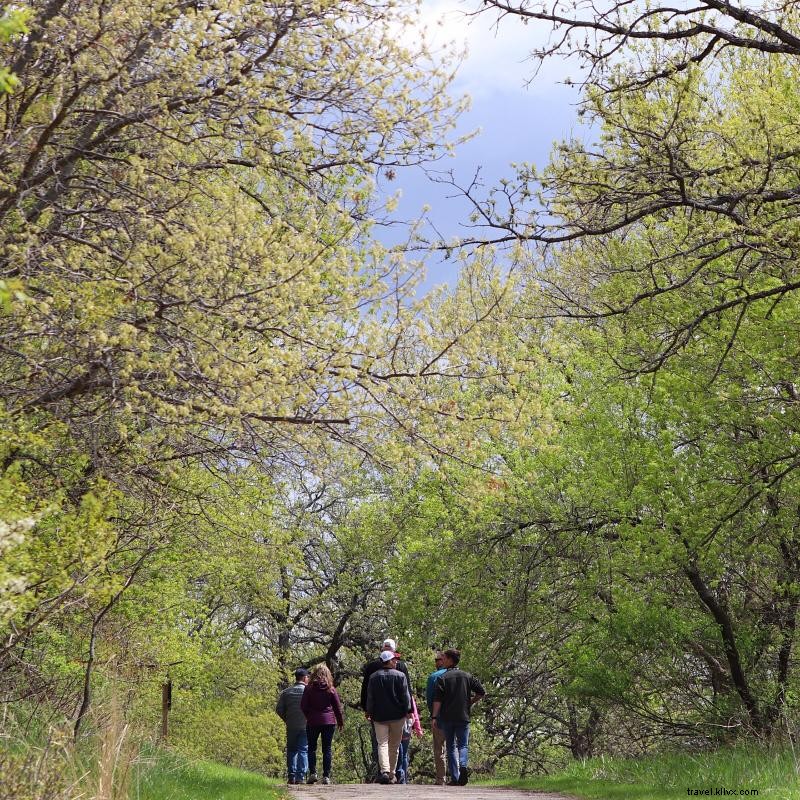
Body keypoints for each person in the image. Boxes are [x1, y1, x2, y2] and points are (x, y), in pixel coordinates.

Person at [360, 637, 413, 780]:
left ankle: (384, 771)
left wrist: (367, 710)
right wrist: (409, 711)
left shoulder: (373, 673)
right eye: (394, 659)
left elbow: (368, 695)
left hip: (378, 715)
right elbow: (406, 694)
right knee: (395, 745)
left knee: (381, 743)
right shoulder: (401, 672)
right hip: (397, 715)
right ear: (390, 659)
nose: (395, 661)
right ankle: (393, 773)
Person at [431, 648, 485, 786]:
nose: (442, 660)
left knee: (450, 746)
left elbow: (438, 700)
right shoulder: (467, 676)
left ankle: (455, 778)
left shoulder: (442, 678)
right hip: (463, 715)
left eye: (445, 658)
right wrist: (470, 702)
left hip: (447, 717)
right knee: (463, 745)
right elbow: (481, 692)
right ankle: (463, 766)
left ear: (450, 660)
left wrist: (434, 717)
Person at [300, 663, 344, 785]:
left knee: (312, 748)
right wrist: (340, 722)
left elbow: (303, 706)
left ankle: (313, 773)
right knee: (327, 749)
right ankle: (326, 776)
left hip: (313, 721)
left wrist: (309, 716)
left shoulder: (308, 689)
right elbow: (337, 708)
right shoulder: (331, 689)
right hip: (329, 722)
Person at [275, 667, 310, 785]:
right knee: (303, 750)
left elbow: (279, 709)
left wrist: (287, 719)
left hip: (291, 726)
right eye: (308, 677)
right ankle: (300, 777)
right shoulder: (309, 691)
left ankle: (291, 776)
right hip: (306, 725)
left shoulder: (286, 692)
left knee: (292, 750)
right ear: (305, 678)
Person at [426, 651, 448, 785]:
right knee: (453, 747)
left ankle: (441, 778)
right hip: (455, 717)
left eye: (437, 660)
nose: (436, 662)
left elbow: (430, 698)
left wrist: (433, 714)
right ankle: (456, 777)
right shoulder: (459, 675)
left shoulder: (434, 677)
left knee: (439, 748)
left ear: (443, 660)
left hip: (439, 716)